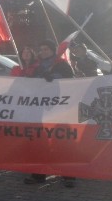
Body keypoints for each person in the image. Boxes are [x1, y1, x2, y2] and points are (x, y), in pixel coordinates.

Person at [23, 40, 77, 187]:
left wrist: (54, 77)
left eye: (46, 49)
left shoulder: (62, 64)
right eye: (41, 49)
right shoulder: (38, 67)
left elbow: (71, 81)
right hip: (41, 109)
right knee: (41, 143)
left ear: (53, 50)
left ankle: (68, 175)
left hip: (59, 109)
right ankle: (39, 174)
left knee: (62, 142)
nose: (43, 52)